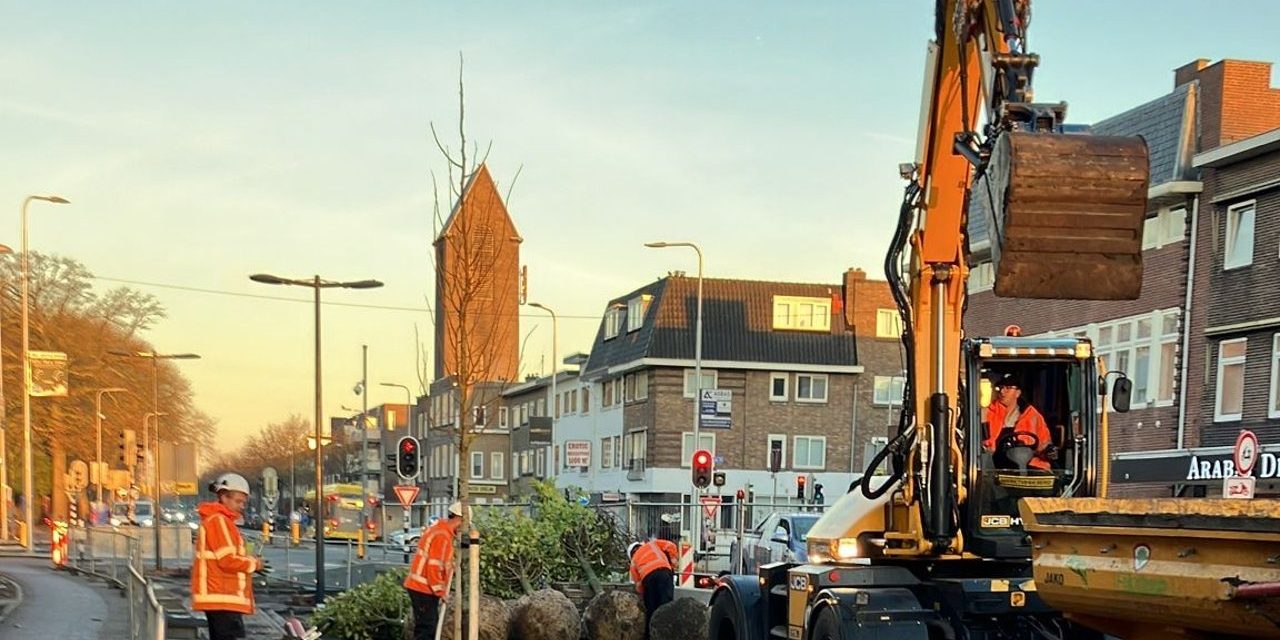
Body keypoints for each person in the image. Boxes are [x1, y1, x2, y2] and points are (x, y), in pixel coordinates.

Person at [192, 473, 263, 640]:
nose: (242, 506)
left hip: (220, 597)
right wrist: (254, 564)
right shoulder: (219, 521)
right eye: (238, 501)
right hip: (223, 596)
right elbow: (227, 560)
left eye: (244, 502)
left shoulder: (217, 520)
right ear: (223, 497)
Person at [404, 502, 465, 640]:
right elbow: (434, 566)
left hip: (422, 587)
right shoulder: (442, 536)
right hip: (423, 588)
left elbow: (440, 562)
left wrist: (450, 567)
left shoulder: (439, 530)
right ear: (459, 519)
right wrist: (440, 591)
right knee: (427, 628)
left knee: (427, 626)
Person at [983, 374, 1055, 470]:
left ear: (1018, 393)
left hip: (1029, 468)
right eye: (1000, 387)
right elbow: (981, 444)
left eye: (1008, 388)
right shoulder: (986, 413)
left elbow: (1045, 443)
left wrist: (1048, 451)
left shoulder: (1032, 415)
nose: (1002, 392)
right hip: (994, 467)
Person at [629, 538, 678, 639]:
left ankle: (650, 636)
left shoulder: (633, 562)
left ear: (631, 554)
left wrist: (645, 596)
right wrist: (672, 564)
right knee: (667, 604)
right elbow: (671, 546)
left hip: (648, 578)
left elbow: (639, 586)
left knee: (651, 610)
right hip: (665, 572)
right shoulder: (653, 544)